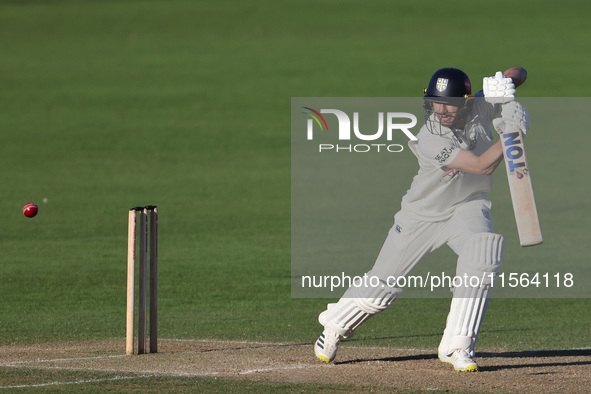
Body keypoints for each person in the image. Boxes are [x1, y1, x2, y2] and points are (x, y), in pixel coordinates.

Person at [313, 67, 530, 372]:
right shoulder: (430, 138)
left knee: (484, 251)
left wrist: (504, 83)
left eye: (450, 103)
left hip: (467, 206)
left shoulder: (480, 104)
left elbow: (518, 73)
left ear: (466, 101)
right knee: (381, 287)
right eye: (436, 102)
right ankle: (335, 324)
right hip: (422, 215)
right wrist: (512, 133)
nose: (442, 109)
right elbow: (482, 166)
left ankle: (458, 345)